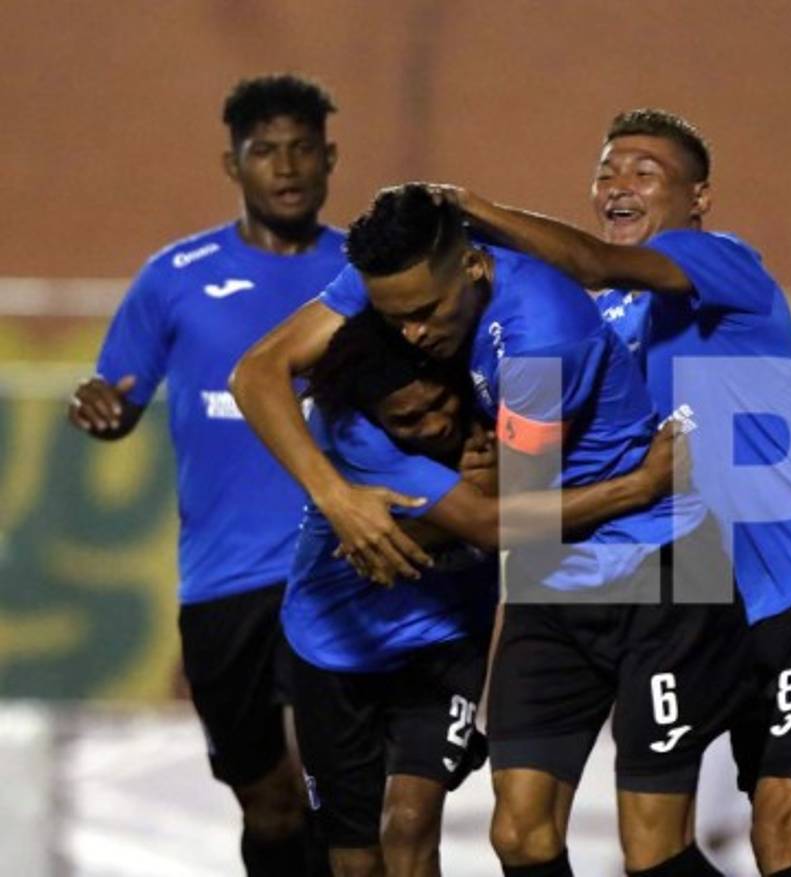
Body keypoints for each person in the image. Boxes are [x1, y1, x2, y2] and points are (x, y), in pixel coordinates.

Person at [231, 185, 753, 876]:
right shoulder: (398, 280)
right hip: (553, 575)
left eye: (423, 314)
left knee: (653, 850)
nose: (410, 333)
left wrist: (639, 485)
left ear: (475, 267)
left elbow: (507, 515)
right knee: (519, 836)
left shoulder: (543, 338)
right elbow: (256, 370)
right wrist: (339, 499)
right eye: (394, 317)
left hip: (655, 562)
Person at [438, 106, 791, 877]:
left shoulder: (717, 261)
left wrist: (470, 209)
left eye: (644, 172)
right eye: (607, 171)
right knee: (654, 850)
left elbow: (590, 262)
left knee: (784, 836)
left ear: (699, 197)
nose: (619, 184)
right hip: (709, 603)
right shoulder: (589, 323)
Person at [287, 307, 680, 876]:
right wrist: (640, 486)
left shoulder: (490, 409)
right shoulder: (348, 434)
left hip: (444, 643)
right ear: (374, 419)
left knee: (409, 820)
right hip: (335, 648)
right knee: (354, 860)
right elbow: (487, 526)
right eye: (408, 420)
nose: (433, 426)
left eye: (439, 404)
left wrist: (505, 483)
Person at [67, 74, 342, 876]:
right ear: (234, 165)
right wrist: (102, 411)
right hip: (222, 585)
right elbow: (119, 398)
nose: (286, 168)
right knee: (272, 805)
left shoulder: (367, 270)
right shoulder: (174, 276)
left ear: (330, 159)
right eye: (265, 152)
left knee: (338, 787)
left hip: (335, 567)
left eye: (302, 150)